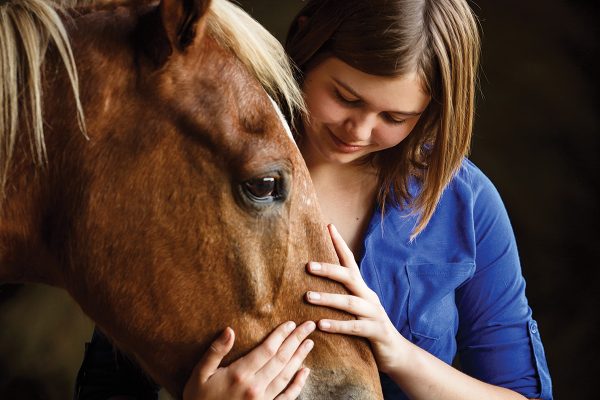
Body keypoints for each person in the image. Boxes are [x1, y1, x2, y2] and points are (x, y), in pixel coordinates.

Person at [75, 0, 553, 399]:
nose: (360, 131)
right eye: (345, 97)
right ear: (308, 40)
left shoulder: (465, 205)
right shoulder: (202, 167)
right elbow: (105, 385)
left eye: (395, 115)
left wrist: (398, 352)